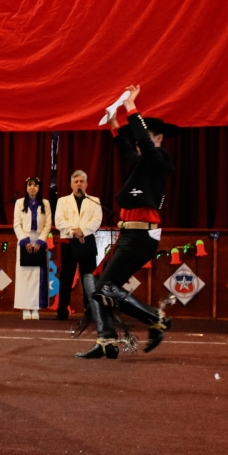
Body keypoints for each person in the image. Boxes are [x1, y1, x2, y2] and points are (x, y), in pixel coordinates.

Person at [76, 85, 179, 359]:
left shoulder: (159, 160)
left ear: (157, 139)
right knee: (98, 285)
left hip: (140, 237)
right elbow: (127, 149)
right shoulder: (142, 164)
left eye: (145, 138)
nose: (139, 142)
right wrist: (113, 123)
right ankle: (106, 340)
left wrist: (130, 107)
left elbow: (142, 144)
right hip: (131, 236)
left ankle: (156, 318)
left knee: (105, 288)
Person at [54, 170, 102, 321]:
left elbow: (97, 220)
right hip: (69, 241)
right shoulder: (62, 201)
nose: (79, 184)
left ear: (86, 184)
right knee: (66, 277)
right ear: (71, 185)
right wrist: (75, 232)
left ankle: (89, 312)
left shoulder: (94, 200)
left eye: (82, 181)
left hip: (86, 241)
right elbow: (59, 220)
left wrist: (83, 231)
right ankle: (62, 311)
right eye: (76, 181)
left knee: (88, 278)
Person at [13, 177, 52, 320]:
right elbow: (17, 224)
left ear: (39, 188)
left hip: (39, 241)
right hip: (24, 240)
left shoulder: (45, 203)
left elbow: (48, 224)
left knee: (37, 276)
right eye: (30, 185)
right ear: (26, 187)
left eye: (35, 185)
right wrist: (25, 241)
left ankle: (35, 307)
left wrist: (40, 241)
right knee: (24, 275)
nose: (32, 188)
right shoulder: (19, 203)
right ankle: (24, 307)